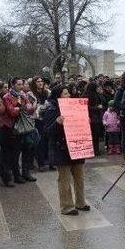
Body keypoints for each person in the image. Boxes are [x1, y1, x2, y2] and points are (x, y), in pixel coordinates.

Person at [43, 85, 90, 216]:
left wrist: (86, 122)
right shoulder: (51, 110)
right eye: (65, 94)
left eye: (69, 93)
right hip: (61, 148)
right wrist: (57, 123)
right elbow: (47, 132)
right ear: (58, 96)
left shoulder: (76, 107)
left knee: (79, 177)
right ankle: (67, 206)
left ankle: (80, 202)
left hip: (76, 146)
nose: (68, 96)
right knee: (64, 179)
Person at [1, 77, 37, 184]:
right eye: (18, 84)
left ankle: (25, 173)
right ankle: (16, 175)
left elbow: (30, 109)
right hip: (13, 127)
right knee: (15, 153)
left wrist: (30, 104)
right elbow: (12, 112)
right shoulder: (7, 97)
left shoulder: (24, 95)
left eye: (22, 84)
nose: (21, 87)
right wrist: (21, 106)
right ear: (13, 85)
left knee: (27, 150)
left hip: (25, 127)